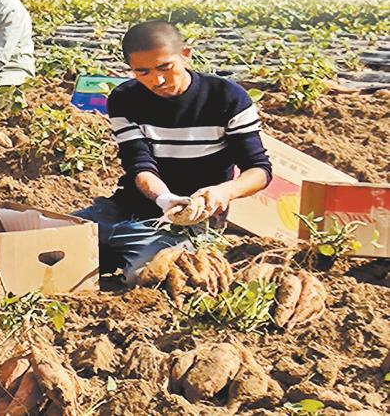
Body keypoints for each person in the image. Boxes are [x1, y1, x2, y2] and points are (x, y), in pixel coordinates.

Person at [72, 20, 272, 284]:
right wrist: (164, 199)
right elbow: (139, 165)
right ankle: (117, 244)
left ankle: (124, 249)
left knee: (146, 274)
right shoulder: (125, 98)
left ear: (185, 55)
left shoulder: (228, 98)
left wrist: (224, 191)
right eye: (142, 72)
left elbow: (258, 169)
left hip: (195, 220)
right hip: (130, 207)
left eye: (166, 67)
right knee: (44, 236)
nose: (158, 80)